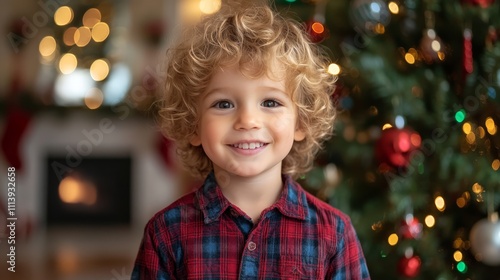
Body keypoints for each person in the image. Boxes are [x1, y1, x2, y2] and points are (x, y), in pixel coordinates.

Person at [131, 1, 370, 279]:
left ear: (301, 121)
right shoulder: (166, 233)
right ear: (193, 125)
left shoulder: (334, 233)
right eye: (223, 104)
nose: (247, 120)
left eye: (270, 102)